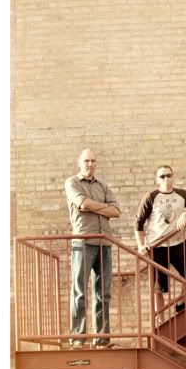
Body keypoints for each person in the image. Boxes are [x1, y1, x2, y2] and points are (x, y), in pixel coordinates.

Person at [65, 148, 121, 349]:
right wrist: (102, 208)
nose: (90, 164)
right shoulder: (72, 183)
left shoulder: (102, 186)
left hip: (104, 243)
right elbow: (82, 203)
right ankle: (77, 339)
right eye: (86, 161)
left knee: (103, 294)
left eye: (93, 161)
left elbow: (116, 212)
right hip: (83, 242)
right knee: (79, 291)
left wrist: (91, 206)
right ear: (79, 163)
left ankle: (102, 340)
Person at [134, 165, 186, 322]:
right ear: (157, 179)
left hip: (177, 243)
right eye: (162, 176)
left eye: (169, 175)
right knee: (159, 288)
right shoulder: (151, 196)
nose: (166, 178)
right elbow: (138, 222)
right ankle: (160, 321)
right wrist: (141, 245)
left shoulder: (182, 194)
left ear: (173, 177)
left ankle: (180, 302)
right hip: (157, 246)